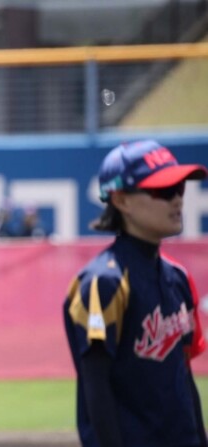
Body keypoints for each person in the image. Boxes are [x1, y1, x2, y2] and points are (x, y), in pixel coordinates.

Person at [63, 140, 208, 447]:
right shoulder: (105, 283)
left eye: (180, 188)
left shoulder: (178, 278)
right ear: (122, 200)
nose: (177, 200)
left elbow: (184, 378)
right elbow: (96, 389)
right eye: (163, 191)